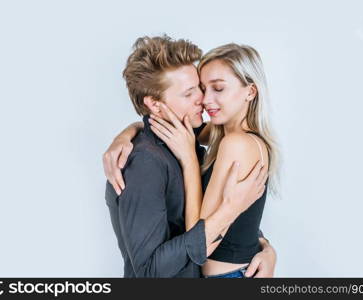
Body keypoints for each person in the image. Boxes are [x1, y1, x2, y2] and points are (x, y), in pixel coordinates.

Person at [104, 35, 277, 278]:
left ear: (251, 92)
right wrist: (127, 133)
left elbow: (217, 228)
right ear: (155, 105)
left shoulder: (222, 141)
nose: (203, 100)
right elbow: (149, 273)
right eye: (194, 91)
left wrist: (265, 246)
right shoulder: (147, 161)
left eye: (213, 88)